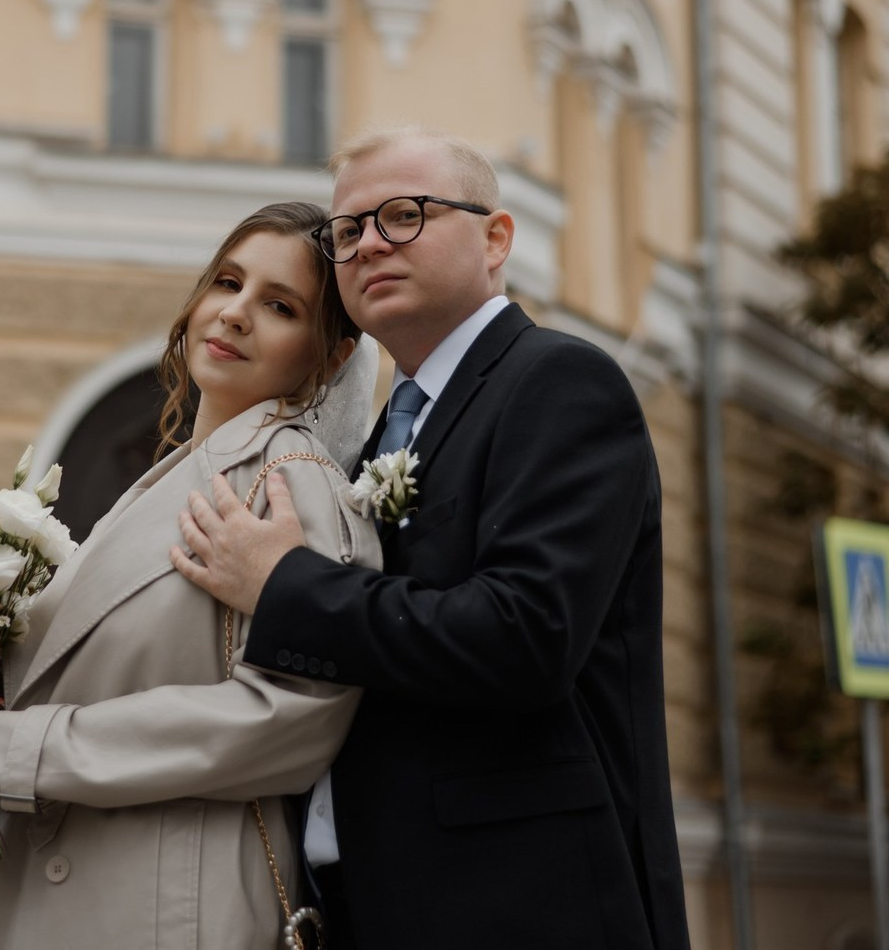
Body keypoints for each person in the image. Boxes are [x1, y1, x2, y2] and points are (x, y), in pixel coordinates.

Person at [172, 129, 691, 950]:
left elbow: (525, 637)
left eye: (405, 215)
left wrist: (285, 584)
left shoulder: (559, 382)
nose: (370, 242)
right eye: (348, 232)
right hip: (367, 901)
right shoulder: (384, 433)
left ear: (496, 238)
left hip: (520, 902)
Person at [0, 201, 382, 950]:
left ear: (328, 357)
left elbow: (293, 721)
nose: (235, 315)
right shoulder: (170, 479)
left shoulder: (289, 482)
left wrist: (22, 750)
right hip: (81, 890)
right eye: (227, 283)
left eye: (278, 305)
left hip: (165, 907)